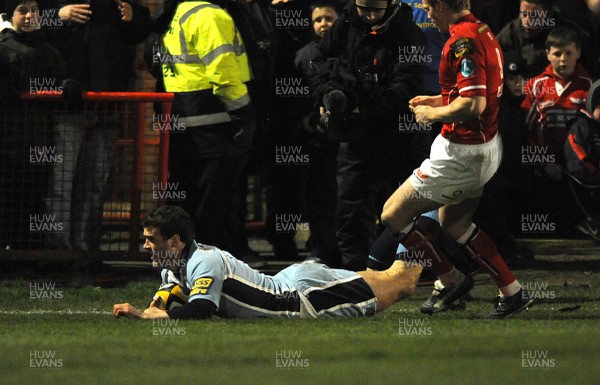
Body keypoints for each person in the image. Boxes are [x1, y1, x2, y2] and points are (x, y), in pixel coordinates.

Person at [379, 0, 532, 318]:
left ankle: (449, 280)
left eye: (429, 7)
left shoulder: (461, 41)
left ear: (442, 5)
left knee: (392, 216)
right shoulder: (482, 29)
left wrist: (432, 112)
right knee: (456, 223)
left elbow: (472, 104)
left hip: (460, 154)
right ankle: (512, 290)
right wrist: (438, 98)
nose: (428, 15)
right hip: (484, 147)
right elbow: (476, 92)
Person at [113, 205, 422, 319]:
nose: (145, 245)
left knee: (403, 282)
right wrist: (151, 308)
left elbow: (202, 308)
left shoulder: (203, 262)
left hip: (304, 299)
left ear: (175, 241)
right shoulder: (174, 264)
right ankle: (415, 222)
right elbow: (170, 294)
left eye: (151, 239)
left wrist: (152, 317)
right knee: (381, 275)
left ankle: (423, 221)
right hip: (291, 280)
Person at [309, 0, 427, 270]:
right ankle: (356, 271)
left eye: (377, 10)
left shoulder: (408, 34)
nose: (371, 16)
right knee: (351, 206)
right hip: (355, 137)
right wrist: (328, 94)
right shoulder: (346, 24)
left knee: (404, 208)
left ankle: (413, 267)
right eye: (365, 9)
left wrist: (362, 107)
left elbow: (405, 87)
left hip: (397, 136)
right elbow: (321, 61)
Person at [41, 0, 150, 251]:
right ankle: (57, 252)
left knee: (95, 182)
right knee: (61, 182)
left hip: (106, 104)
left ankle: (85, 249)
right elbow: (27, 20)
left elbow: (143, 27)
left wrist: (133, 17)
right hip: (68, 104)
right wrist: (58, 15)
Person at [160, 0, 260, 266]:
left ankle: (185, 263)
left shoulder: (183, 11)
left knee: (192, 198)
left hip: (189, 118)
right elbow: (223, 72)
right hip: (217, 121)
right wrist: (245, 113)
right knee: (215, 201)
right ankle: (211, 266)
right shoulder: (210, 16)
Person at [0, 0, 65, 248]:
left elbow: (59, 79)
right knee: (9, 199)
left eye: (34, 10)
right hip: (9, 142)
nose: (29, 16)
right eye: (23, 10)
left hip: (38, 141)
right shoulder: (3, 48)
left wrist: (67, 87)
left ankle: (29, 251)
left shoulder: (48, 50)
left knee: (34, 199)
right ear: (10, 14)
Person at [520, 26, 593, 235]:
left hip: (580, 172)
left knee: (578, 228)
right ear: (547, 54)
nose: (563, 60)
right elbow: (527, 130)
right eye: (557, 54)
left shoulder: (589, 86)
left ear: (578, 53)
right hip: (545, 168)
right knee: (548, 222)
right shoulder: (536, 85)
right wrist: (544, 161)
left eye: (569, 53)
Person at [293, 0, 343, 267]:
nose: (323, 24)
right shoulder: (304, 55)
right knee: (319, 196)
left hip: (346, 138)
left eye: (329, 18)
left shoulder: (350, 50)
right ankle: (322, 248)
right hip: (318, 140)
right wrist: (310, 120)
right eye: (318, 20)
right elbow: (296, 99)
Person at [496, 0, 597, 78]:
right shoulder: (512, 31)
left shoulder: (570, 32)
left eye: (534, 16)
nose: (526, 21)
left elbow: (592, 67)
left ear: (548, 15)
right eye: (523, 14)